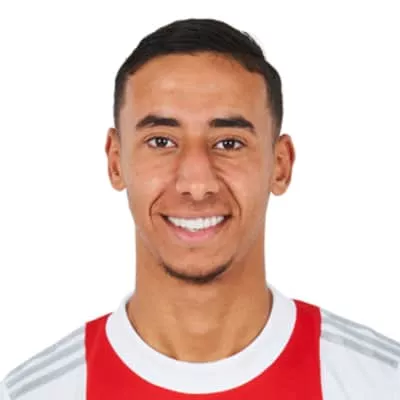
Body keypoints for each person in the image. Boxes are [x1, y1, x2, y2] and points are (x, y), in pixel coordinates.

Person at [1, 18, 399, 400]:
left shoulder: (383, 385)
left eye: (229, 143)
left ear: (280, 166)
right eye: (161, 142)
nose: (196, 184)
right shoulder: (31, 395)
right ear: (116, 162)